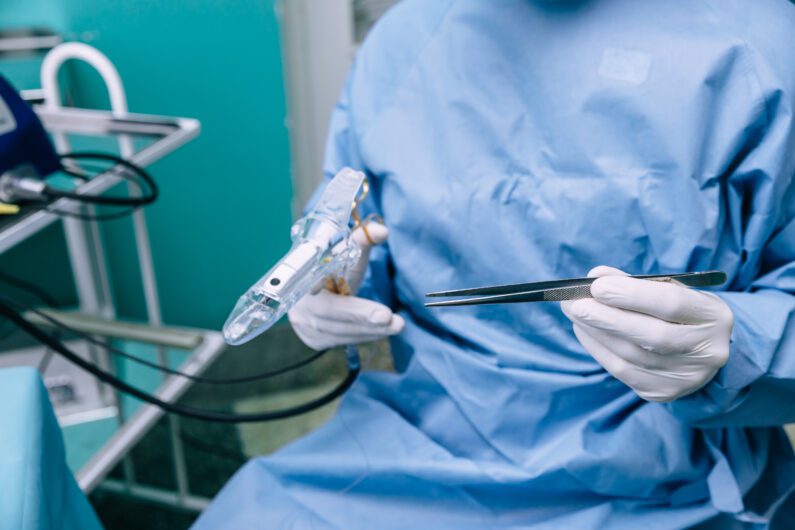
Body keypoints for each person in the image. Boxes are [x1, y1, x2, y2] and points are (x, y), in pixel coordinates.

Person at [194, 0, 795, 527]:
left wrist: (743, 344)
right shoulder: (404, 42)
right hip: (406, 454)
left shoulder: (762, 48)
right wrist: (330, 288)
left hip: (662, 482)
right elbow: (351, 218)